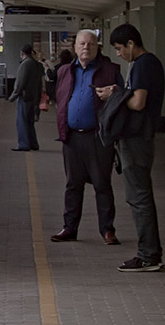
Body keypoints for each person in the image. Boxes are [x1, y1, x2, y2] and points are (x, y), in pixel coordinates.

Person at [103, 24, 165, 272]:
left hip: (137, 139)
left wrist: (114, 94)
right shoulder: (153, 63)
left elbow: (138, 103)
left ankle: (148, 254)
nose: (118, 54)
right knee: (141, 195)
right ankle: (150, 252)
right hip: (144, 138)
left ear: (131, 44)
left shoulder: (142, 64)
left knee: (138, 197)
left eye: (119, 48)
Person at [50, 30, 123, 245]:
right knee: (73, 185)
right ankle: (69, 228)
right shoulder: (64, 71)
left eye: (91, 44)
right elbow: (60, 98)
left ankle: (107, 230)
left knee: (102, 184)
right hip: (72, 137)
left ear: (98, 47)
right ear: (74, 47)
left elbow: (122, 98)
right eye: (82, 43)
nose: (86, 47)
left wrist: (116, 91)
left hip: (98, 137)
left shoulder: (110, 70)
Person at [8, 44, 43, 151]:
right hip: (34, 97)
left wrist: (12, 96)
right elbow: (40, 83)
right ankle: (33, 143)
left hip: (25, 97)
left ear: (22, 53)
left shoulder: (25, 64)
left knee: (22, 121)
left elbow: (20, 83)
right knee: (30, 122)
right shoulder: (37, 65)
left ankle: (23, 144)